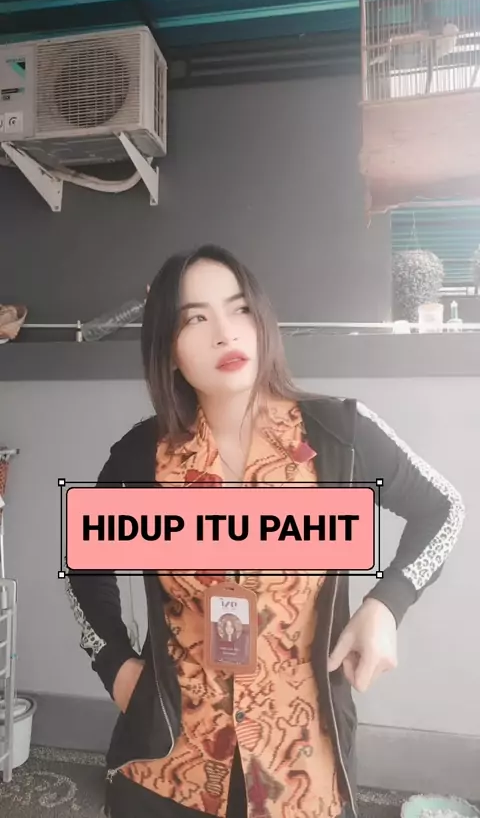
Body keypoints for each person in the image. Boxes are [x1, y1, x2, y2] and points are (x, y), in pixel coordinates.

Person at [66, 245, 465, 818]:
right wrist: (116, 666)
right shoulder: (140, 457)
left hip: (300, 766)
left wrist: (387, 604)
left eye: (239, 309)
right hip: (169, 764)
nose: (225, 333)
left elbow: (444, 509)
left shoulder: (340, 435)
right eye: (195, 318)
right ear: (168, 349)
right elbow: (82, 565)